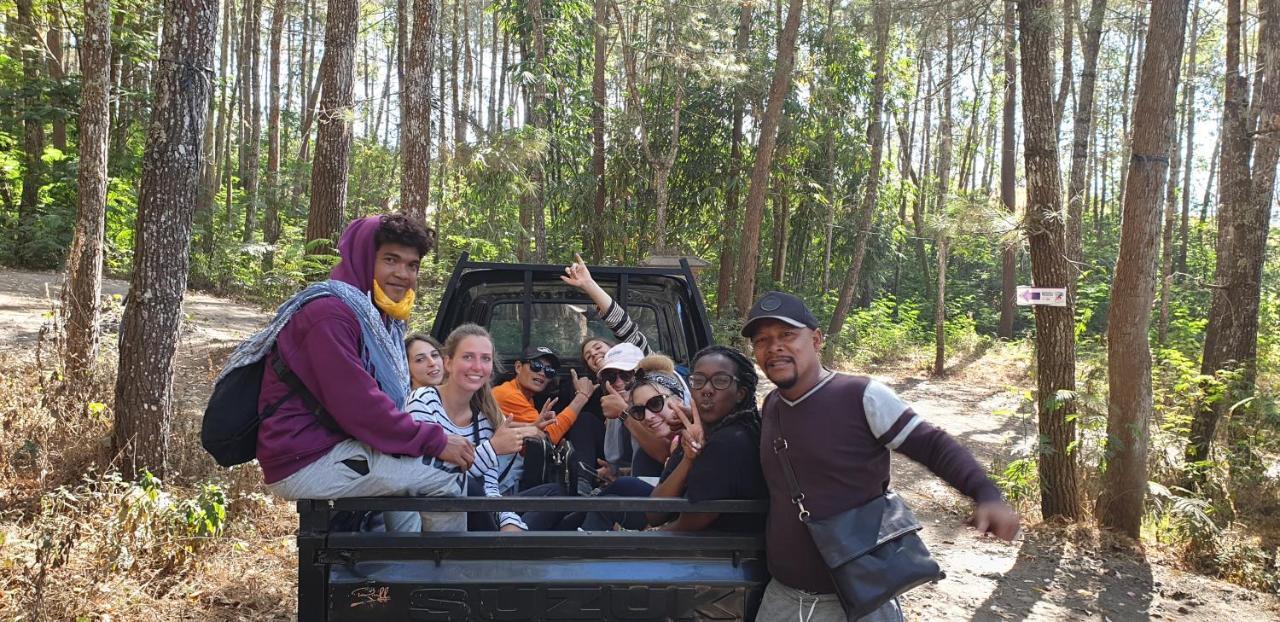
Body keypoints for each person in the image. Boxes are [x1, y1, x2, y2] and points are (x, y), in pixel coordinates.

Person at [743, 291, 1021, 622]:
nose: (774, 346)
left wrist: (985, 493)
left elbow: (931, 444)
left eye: (787, 335)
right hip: (784, 597)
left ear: (816, 340)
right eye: (762, 340)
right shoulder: (772, 404)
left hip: (860, 598)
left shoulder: (860, 395)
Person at [222, 214, 474, 533]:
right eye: (391, 260)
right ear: (365, 258)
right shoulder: (330, 314)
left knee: (410, 475)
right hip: (307, 456)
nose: (403, 274)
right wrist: (435, 441)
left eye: (412, 265)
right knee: (446, 471)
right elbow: (360, 406)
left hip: (329, 445)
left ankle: (406, 571)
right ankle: (444, 579)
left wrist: (420, 439)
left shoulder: (377, 317)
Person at [580, 348, 767, 532]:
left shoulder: (729, 440)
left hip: (715, 554)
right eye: (699, 381)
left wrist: (649, 539)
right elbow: (655, 513)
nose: (707, 389)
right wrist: (688, 458)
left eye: (720, 381)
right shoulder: (695, 435)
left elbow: (698, 517)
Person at [405, 324, 543, 531]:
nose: (478, 367)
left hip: (478, 517)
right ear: (448, 363)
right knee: (470, 487)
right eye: (468, 357)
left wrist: (509, 522)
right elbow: (434, 479)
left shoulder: (484, 417)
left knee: (555, 499)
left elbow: (490, 486)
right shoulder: (422, 401)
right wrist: (493, 449)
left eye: (485, 359)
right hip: (434, 520)